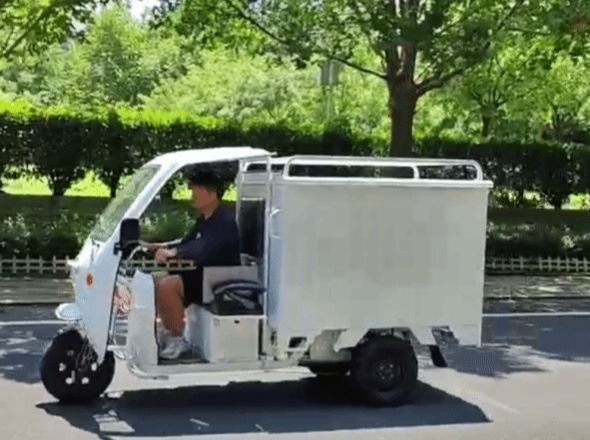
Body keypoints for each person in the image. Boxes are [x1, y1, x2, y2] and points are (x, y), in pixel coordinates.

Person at [142, 167, 241, 360]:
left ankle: (178, 340)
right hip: (204, 276)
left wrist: (174, 253)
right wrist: (159, 247)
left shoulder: (225, 220)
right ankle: (169, 331)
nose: (191, 194)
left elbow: (205, 247)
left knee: (167, 286)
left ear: (212, 193)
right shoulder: (205, 219)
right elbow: (187, 242)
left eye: (196, 190)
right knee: (157, 280)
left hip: (220, 281)